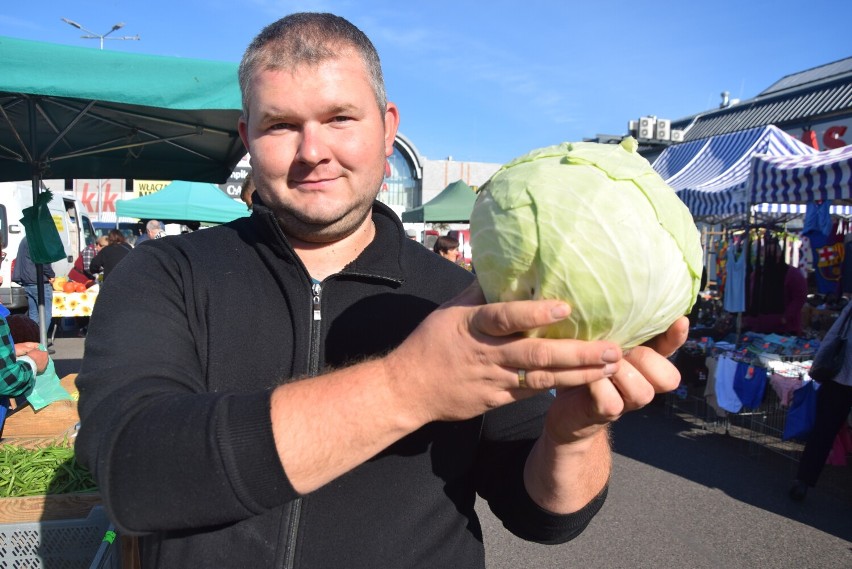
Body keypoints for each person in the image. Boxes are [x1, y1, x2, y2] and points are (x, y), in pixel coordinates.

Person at [75, 13, 686, 568]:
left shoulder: (467, 299)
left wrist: (572, 433)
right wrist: (407, 387)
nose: (313, 152)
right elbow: (133, 473)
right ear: (247, 136)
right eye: (281, 125)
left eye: (340, 118)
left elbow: (543, 518)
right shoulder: (167, 273)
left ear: (388, 129)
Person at [788, 301, 852, 501]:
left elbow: (835, 332)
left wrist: (818, 365)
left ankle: (803, 481)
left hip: (840, 376)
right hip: (840, 376)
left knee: (823, 431)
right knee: (823, 431)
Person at [11, 237, 55, 329]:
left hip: (27, 281)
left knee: (33, 314)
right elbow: (44, 262)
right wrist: (51, 275)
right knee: (45, 313)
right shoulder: (37, 239)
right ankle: (39, 339)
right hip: (38, 281)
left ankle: (33, 338)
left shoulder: (25, 239)